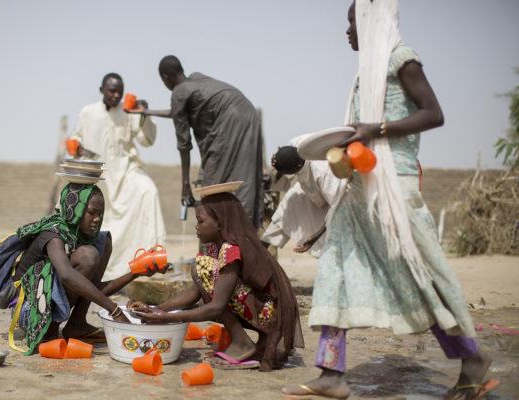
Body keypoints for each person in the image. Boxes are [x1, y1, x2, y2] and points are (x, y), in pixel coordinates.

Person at [281, 2, 494, 399]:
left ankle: (472, 358)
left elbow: (434, 114)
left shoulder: (401, 59)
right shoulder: (368, 71)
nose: (347, 31)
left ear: (370, 22)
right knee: (336, 271)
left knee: (422, 278)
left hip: (394, 189)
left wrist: (375, 128)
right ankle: (331, 373)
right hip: (360, 189)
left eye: (351, 22)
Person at [131, 189, 303, 371]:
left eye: (201, 221)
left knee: (202, 267)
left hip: (270, 315)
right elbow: (193, 293)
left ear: (220, 222)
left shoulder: (231, 249)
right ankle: (247, 342)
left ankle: (242, 343)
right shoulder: (217, 248)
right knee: (202, 268)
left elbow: (216, 307)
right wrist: (156, 309)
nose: (197, 226)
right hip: (261, 311)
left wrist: (166, 318)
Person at [9, 182, 162, 350]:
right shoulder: (53, 234)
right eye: (91, 212)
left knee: (103, 242)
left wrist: (135, 273)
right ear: (75, 210)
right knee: (88, 256)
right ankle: (47, 329)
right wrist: (114, 310)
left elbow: (92, 290)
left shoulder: (79, 237)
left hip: (52, 301)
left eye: (101, 214)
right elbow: (67, 275)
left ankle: (77, 323)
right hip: (31, 312)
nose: (97, 219)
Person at [131, 56, 264, 227]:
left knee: (213, 184)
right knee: (245, 175)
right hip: (247, 112)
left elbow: (184, 145)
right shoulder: (195, 79)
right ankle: (246, 230)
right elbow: (178, 112)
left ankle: (227, 235)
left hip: (229, 120)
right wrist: (147, 111)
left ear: (165, 77)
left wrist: (185, 185)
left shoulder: (179, 91)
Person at [72, 73, 166, 280]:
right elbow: (76, 138)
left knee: (148, 190)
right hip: (99, 173)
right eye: (111, 91)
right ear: (102, 90)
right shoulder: (88, 113)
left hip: (126, 171)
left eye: (119, 92)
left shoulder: (128, 111)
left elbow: (147, 140)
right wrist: (77, 148)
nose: (116, 95)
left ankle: (150, 260)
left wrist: (144, 114)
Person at [262, 146, 339, 256]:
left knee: (333, 245)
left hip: (341, 205)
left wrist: (316, 236)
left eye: (286, 172)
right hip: (316, 198)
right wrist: (278, 162)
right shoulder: (296, 155)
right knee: (287, 207)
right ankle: (261, 246)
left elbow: (337, 207)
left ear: (297, 166)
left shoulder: (322, 173)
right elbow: (280, 183)